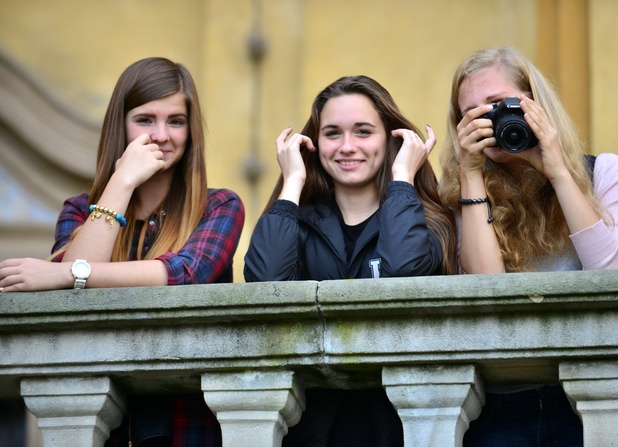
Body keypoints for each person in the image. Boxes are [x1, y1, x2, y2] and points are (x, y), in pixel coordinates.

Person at [0, 57, 245, 446]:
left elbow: (181, 274)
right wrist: (123, 180)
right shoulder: (78, 211)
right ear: (121, 124)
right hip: (104, 425)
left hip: (190, 424)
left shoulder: (218, 207)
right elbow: (69, 302)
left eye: (176, 121)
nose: (162, 135)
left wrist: (67, 273)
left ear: (191, 130)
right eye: (145, 120)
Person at [244, 75, 458, 446]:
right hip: (313, 428)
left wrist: (403, 178)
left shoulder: (425, 219)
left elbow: (404, 274)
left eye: (362, 131)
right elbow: (265, 284)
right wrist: (292, 179)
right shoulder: (296, 220)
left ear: (390, 138)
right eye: (332, 133)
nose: (347, 147)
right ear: (314, 144)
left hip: (401, 426)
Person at [439, 46, 618, 446]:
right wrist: (471, 174)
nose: (487, 121)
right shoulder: (458, 197)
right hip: (498, 405)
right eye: (470, 113)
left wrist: (558, 170)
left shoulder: (604, 173)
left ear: (535, 102)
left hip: (587, 398)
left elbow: (614, 279)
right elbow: (486, 290)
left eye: (497, 104)